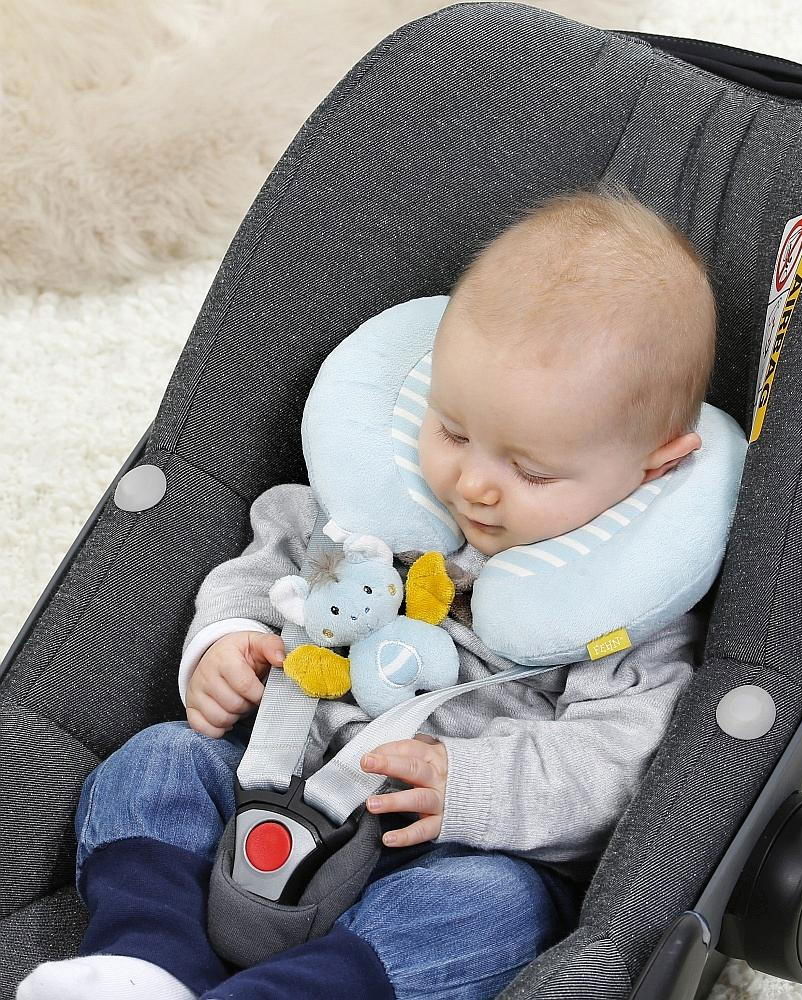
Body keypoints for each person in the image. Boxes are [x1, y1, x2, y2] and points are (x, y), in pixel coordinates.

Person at [17, 181, 718, 1000]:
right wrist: (228, 639)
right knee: (156, 762)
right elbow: (268, 560)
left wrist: (469, 785)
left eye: (531, 471)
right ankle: (145, 962)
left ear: (654, 466)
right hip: (269, 782)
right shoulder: (369, 505)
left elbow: (615, 766)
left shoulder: (625, 613)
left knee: (499, 907)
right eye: (452, 430)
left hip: (439, 851)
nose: (474, 484)